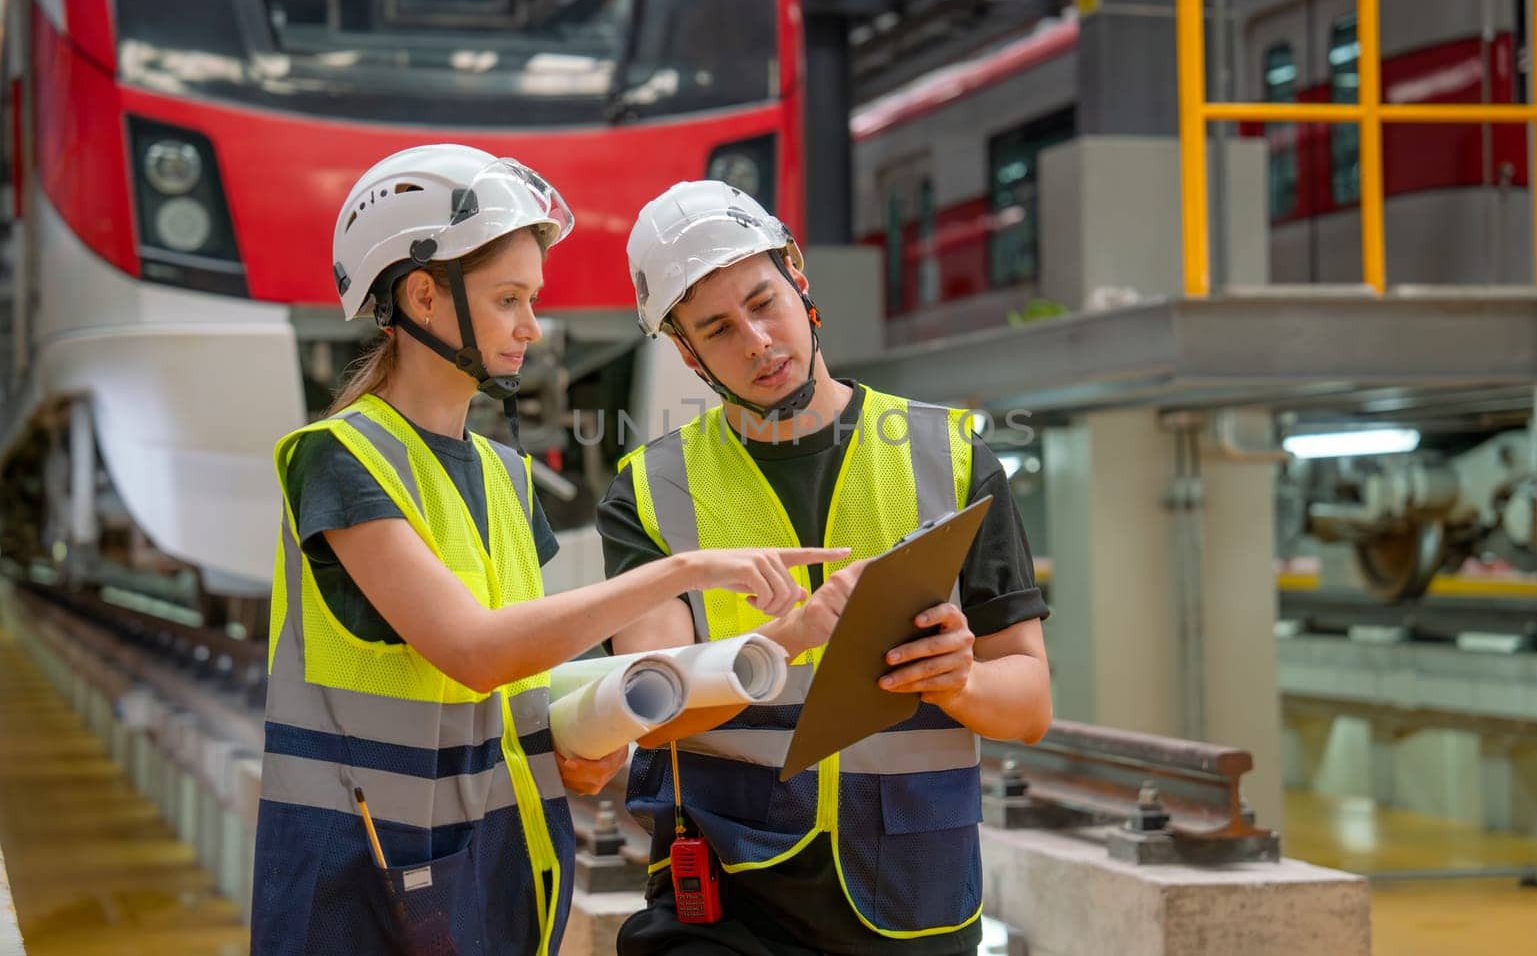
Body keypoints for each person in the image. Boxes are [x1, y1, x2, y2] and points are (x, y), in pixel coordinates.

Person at [249, 147, 843, 956]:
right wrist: (683, 569)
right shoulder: (341, 460)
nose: (532, 325)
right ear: (424, 293)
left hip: (491, 877)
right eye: (508, 299)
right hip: (361, 892)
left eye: (532, 298)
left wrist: (561, 737)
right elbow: (473, 650)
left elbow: (520, 673)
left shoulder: (501, 474)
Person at [601, 180, 1053, 954]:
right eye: (717, 328)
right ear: (686, 352)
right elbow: (658, 709)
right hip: (728, 898)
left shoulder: (950, 456)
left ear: (799, 280)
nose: (757, 341)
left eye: (763, 302)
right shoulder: (650, 490)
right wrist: (797, 630)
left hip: (914, 893)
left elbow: (1030, 701)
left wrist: (963, 678)